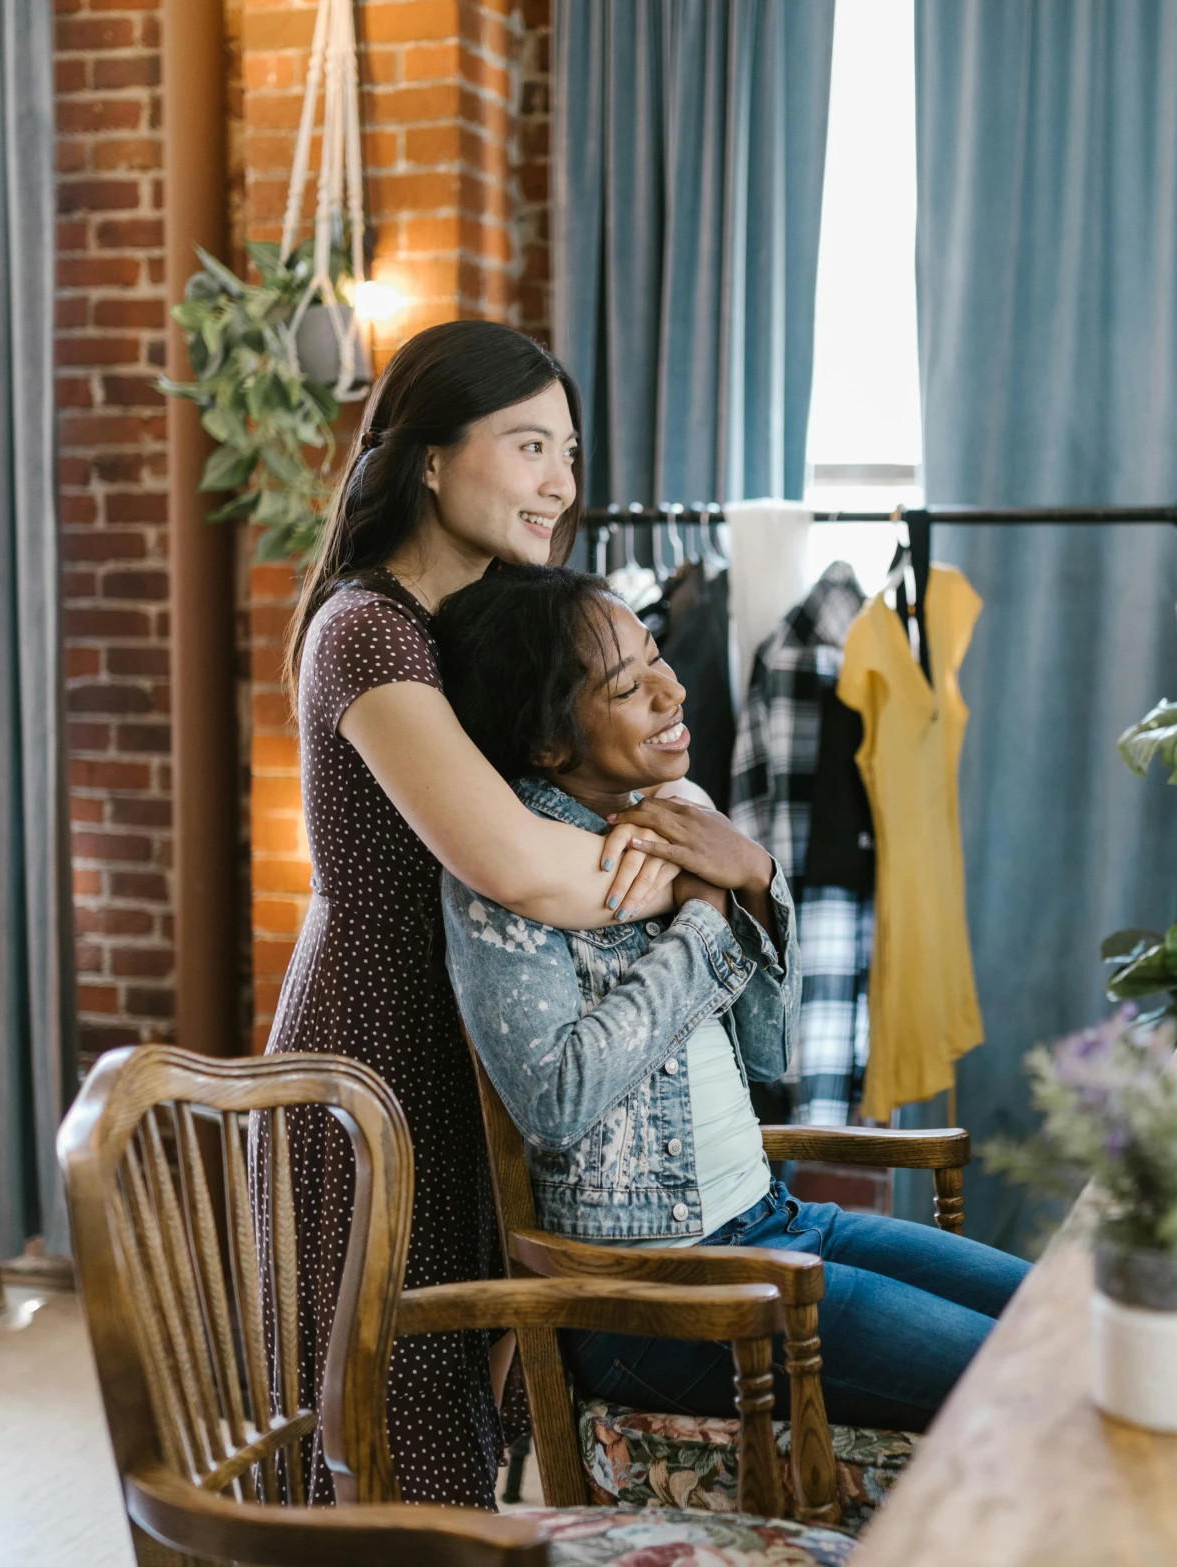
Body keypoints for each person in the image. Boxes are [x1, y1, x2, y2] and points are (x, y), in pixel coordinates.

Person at [431, 563, 1031, 1433]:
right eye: (630, 686)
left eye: (657, 658)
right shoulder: (507, 877)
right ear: (553, 742)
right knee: (1033, 1387)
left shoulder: (678, 815)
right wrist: (705, 920)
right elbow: (555, 1102)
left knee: (1064, 1324)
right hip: (660, 1293)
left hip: (774, 1220)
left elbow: (767, 1052)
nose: (674, 690)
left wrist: (751, 874)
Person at [261, 320, 682, 1509]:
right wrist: (680, 865)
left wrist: (655, 828)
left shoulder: (490, 624)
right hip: (379, 1050)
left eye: (569, 450)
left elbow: (610, 790)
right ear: (433, 459)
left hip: (474, 1043)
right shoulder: (369, 630)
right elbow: (522, 865)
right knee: (389, 1420)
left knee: (475, 1403)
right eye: (528, 444)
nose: (561, 480)